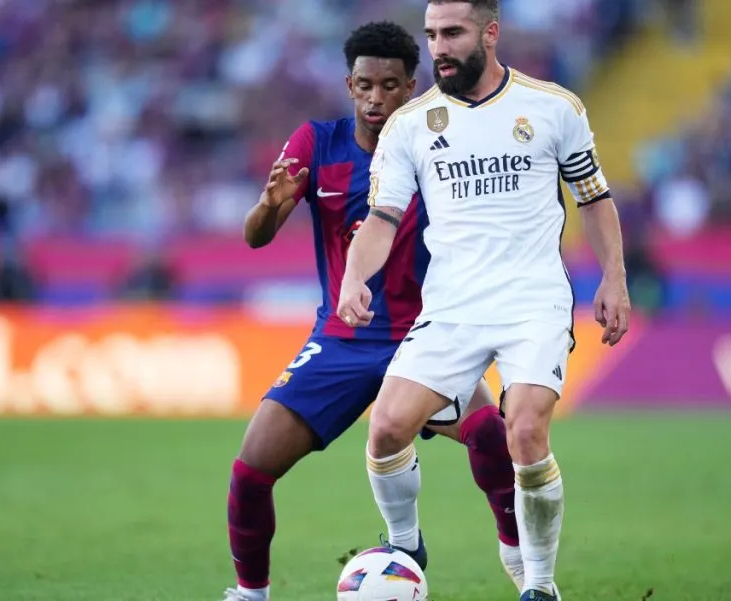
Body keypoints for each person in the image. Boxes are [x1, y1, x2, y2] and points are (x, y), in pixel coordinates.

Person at [336, 2, 632, 600]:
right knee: (388, 428)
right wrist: (354, 277)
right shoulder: (412, 124)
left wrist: (615, 278)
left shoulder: (553, 108)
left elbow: (594, 199)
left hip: (533, 303)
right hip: (452, 308)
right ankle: (405, 545)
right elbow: (382, 218)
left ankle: (540, 587)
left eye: (452, 33)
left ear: (490, 33)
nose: (439, 47)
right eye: (432, 35)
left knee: (524, 431)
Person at [223, 21, 524, 601]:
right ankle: (250, 593)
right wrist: (268, 205)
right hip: (341, 339)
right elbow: (256, 237)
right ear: (349, 83)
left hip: (423, 337)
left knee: (492, 436)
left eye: (390, 86)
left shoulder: (442, 150)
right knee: (250, 470)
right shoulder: (316, 144)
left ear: (411, 87)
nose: (376, 98)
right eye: (365, 85)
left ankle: (521, 565)